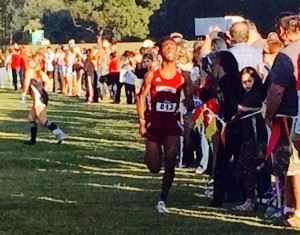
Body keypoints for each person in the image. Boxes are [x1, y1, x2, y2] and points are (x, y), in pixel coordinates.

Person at [136, 36, 193, 213]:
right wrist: (142, 121)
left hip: (172, 125)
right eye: (165, 47)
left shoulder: (183, 76)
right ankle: (150, 154)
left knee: (170, 160)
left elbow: (189, 100)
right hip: (154, 124)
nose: (169, 49)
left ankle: (163, 198)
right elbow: (140, 97)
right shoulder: (152, 75)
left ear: (177, 52)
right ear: (160, 52)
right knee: (154, 167)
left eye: (172, 47)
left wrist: (189, 98)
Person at [265, 12, 300, 227]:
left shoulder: (287, 54)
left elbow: (276, 90)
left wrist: (269, 115)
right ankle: (288, 208)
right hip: (293, 112)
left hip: (291, 115)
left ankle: (296, 211)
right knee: (290, 166)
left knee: (294, 164)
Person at [24, 55, 65, 145]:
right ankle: (33, 140)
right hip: (40, 97)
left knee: (42, 121)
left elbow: (28, 84)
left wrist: (25, 94)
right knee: (31, 117)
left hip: (39, 99)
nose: (29, 62)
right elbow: (48, 82)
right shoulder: (38, 72)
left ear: (35, 63)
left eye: (31, 60)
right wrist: (43, 90)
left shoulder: (32, 72)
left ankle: (59, 133)